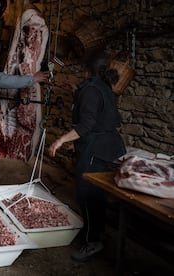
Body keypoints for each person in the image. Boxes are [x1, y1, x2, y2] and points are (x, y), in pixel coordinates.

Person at [48, 50, 126, 262]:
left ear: (86, 70)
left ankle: (93, 242)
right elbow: (97, 113)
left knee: (87, 194)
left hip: (97, 147)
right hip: (107, 146)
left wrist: (61, 140)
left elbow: (86, 125)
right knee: (96, 195)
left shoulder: (91, 90)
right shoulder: (102, 86)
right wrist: (75, 90)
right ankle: (97, 233)